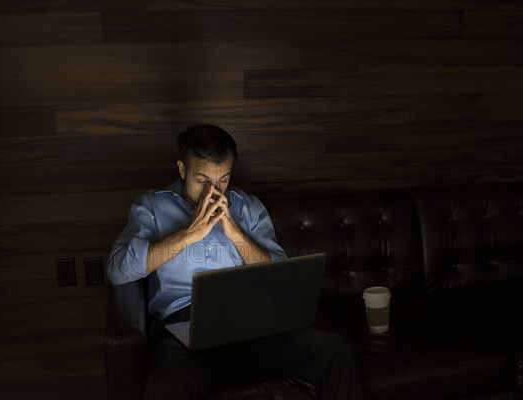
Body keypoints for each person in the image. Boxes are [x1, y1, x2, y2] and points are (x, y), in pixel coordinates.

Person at [107, 124, 366, 400]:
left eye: (222, 181)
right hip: (183, 328)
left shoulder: (249, 207)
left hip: (251, 324)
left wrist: (235, 232)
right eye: (202, 180)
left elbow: (280, 274)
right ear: (182, 170)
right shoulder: (151, 207)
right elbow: (118, 271)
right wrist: (189, 233)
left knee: (337, 352)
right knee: (169, 385)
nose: (213, 192)